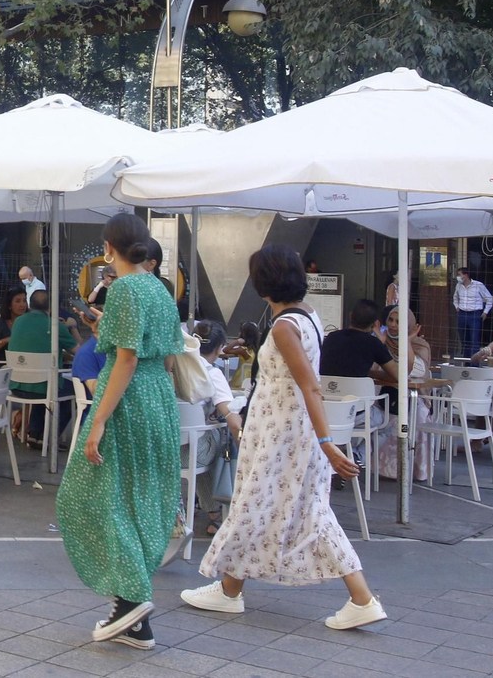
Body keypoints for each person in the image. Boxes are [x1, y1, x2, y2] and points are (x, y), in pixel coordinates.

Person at [183, 245, 384, 631]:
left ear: (262, 285)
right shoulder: (306, 316)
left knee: (256, 504)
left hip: (280, 433)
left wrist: (328, 444)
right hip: (290, 431)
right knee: (296, 509)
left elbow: (310, 387)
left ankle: (231, 591)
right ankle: (230, 588)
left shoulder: (283, 327)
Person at [55, 212, 184, 651]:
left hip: (126, 398)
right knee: (139, 497)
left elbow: (126, 359)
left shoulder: (126, 288)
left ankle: (130, 599)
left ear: (109, 248)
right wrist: (103, 329)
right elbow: (164, 356)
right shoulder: (159, 289)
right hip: (157, 398)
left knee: (93, 492)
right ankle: (134, 615)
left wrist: (101, 418)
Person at [319, 299, 395, 467]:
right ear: (376, 323)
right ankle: (356, 456)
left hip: (326, 409)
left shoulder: (331, 338)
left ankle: (343, 456)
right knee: (385, 426)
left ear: (351, 316)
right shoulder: (373, 344)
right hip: (357, 412)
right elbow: (396, 375)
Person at [190, 323, 243, 536]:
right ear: (220, 347)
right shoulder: (212, 373)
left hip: (163, 450)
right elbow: (231, 418)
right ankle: (219, 514)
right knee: (219, 441)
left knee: (199, 436)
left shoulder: (172, 366)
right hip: (196, 454)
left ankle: (212, 512)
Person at [7, 288, 77, 445]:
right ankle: (49, 436)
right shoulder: (55, 326)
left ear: (30, 304)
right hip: (43, 387)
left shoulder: (18, 322)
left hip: (16, 385)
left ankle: (35, 433)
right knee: (72, 388)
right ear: (51, 306)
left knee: (45, 380)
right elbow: (79, 352)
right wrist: (72, 327)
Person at [376, 304, 432, 483]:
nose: (393, 325)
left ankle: (415, 469)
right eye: (391, 320)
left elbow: (414, 371)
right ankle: (383, 470)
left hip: (412, 399)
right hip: (384, 396)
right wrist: (381, 345)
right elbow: (372, 368)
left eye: (399, 322)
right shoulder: (381, 341)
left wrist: (407, 342)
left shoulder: (420, 345)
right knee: (378, 416)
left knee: (419, 417)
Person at [453, 267, 493, 358]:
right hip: (462, 314)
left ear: (465, 275)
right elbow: (455, 297)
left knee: (474, 339)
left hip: (474, 314)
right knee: (464, 338)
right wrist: (457, 306)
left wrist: (485, 312)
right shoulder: (458, 286)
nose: (458, 277)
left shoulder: (478, 285)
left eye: (459, 275)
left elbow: (489, 298)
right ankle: (466, 360)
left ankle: (474, 362)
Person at [0, 287, 27, 356]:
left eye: (24, 301)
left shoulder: (28, 323)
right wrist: (5, 341)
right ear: (9, 305)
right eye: (18, 301)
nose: (22, 305)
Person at [225, 322, 259, 390]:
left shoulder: (243, 350)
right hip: (254, 378)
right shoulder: (257, 349)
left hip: (241, 380)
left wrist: (237, 342)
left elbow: (226, 350)